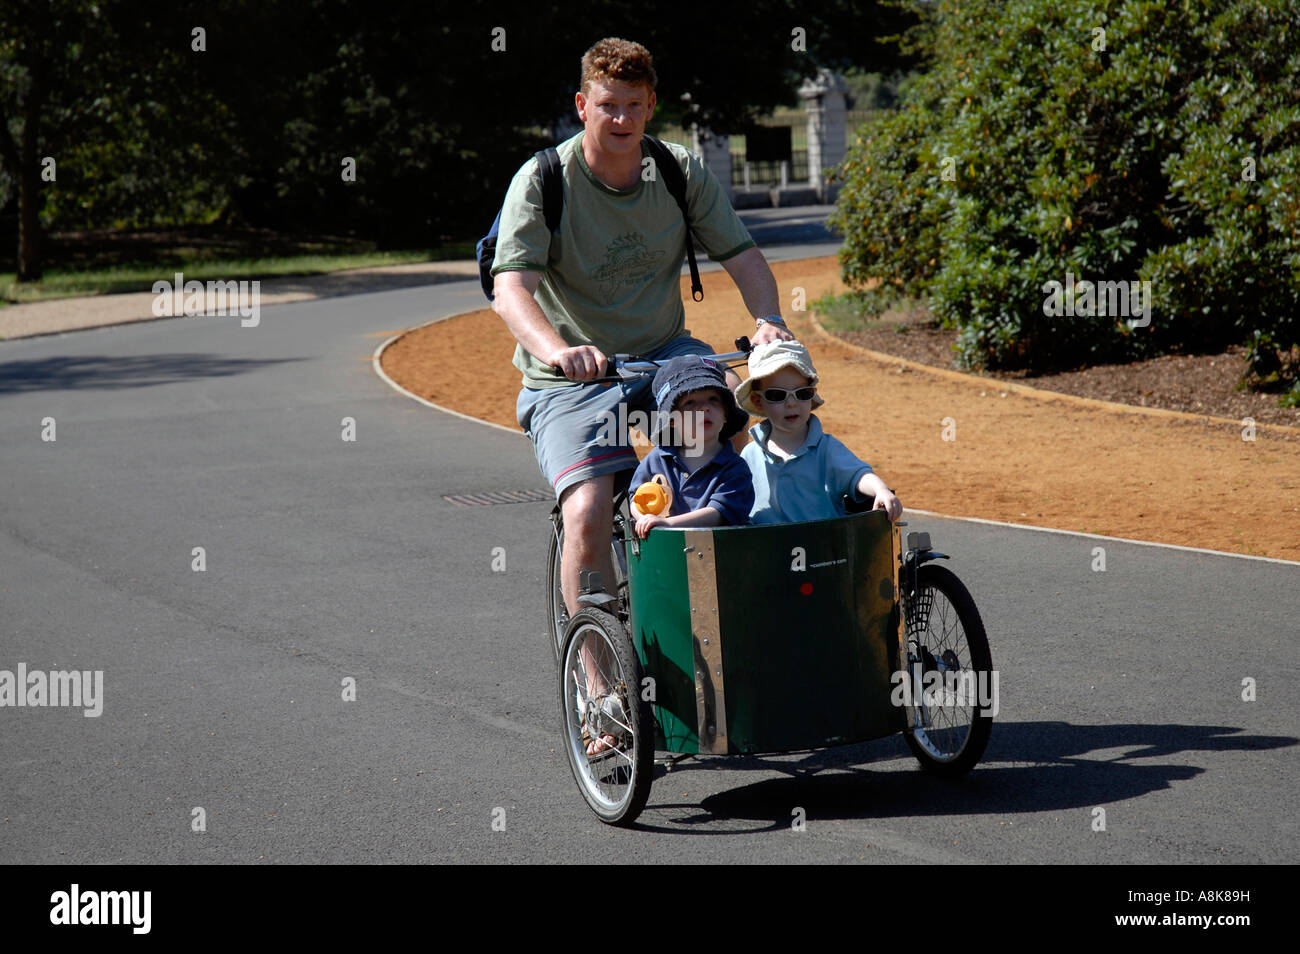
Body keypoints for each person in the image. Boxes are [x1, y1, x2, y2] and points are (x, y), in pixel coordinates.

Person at [491, 37, 794, 625]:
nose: (621, 118)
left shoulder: (677, 170)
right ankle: (599, 677)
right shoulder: (544, 179)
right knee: (588, 507)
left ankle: (722, 610)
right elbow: (511, 291)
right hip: (571, 377)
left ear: (651, 104)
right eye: (608, 105)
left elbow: (743, 256)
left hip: (662, 360)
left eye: (633, 104)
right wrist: (560, 351)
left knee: (726, 450)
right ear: (583, 105)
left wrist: (769, 322)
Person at [736, 340, 903, 524]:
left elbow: (858, 475)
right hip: (765, 549)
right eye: (777, 395)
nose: (791, 403)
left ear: (811, 395)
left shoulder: (826, 449)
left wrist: (880, 490)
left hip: (822, 547)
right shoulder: (749, 455)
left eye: (802, 393)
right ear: (758, 401)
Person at [628, 355, 754, 539]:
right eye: (690, 403)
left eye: (713, 399)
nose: (704, 408)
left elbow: (718, 513)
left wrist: (668, 524)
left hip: (722, 556)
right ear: (671, 420)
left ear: (726, 414)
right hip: (668, 555)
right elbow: (635, 498)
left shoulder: (735, 468)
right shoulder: (658, 459)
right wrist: (643, 518)